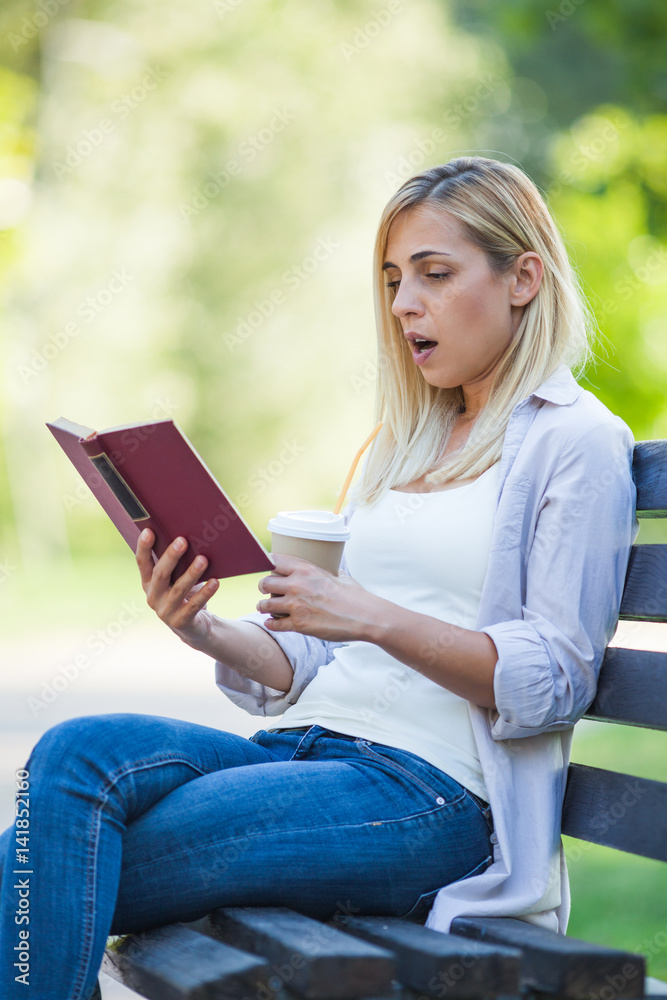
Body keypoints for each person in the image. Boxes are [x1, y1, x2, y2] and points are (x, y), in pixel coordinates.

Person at [0, 156, 637, 1000]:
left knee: (42, 870)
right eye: (391, 281)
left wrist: (371, 616)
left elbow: (555, 678)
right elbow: (318, 663)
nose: (405, 304)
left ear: (522, 276)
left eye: (434, 275)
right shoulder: (399, 445)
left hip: (432, 795)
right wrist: (205, 628)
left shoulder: (574, 442)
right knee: (75, 754)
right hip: (304, 753)